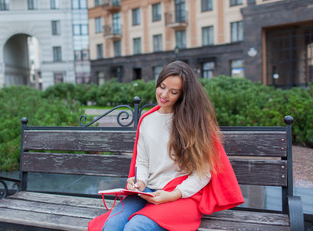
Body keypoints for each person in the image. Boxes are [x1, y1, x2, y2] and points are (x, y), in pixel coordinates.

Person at [88, 61, 244, 231]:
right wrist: (140, 182)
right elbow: (142, 161)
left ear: (183, 95)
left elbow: (202, 173)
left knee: (136, 227)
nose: (164, 94)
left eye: (173, 92)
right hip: (148, 192)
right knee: (112, 225)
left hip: (182, 195)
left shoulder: (194, 123)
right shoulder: (147, 120)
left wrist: (172, 194)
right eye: (162, 86)